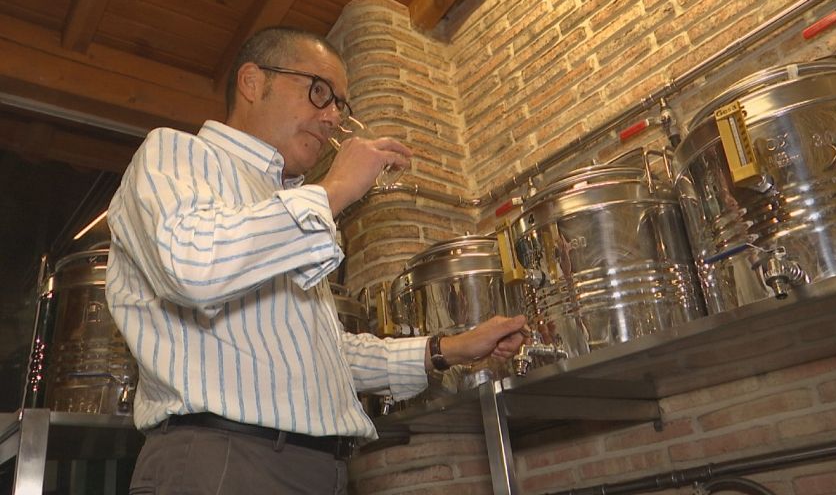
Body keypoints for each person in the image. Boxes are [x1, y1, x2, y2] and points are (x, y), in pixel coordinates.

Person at [105, 26, 526, 494]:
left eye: (340, 105)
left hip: (323, 469)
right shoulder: (177, 153)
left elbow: (325, 355)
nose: (332, 118)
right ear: (252, 82)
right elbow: (192, 268)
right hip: (222, 461)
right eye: (319, 91)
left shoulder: (287, 205)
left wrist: (448, 349)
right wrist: (335, 189)